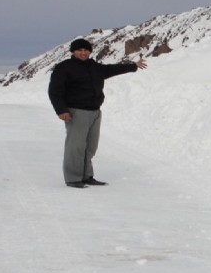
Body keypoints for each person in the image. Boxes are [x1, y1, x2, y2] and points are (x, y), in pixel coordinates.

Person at [48, 38, 147, 188]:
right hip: (76, 112)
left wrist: (133, 66)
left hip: (94, 112)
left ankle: (86, 176)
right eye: (80, 50)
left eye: (86, 50)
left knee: (90, 147)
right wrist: (61, 110)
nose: (83, 52)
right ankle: (73, 178)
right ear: (73, 52)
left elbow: (111, 69)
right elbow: (55, 91)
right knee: (76, 146)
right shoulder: (64, 68)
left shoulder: (94, 67)